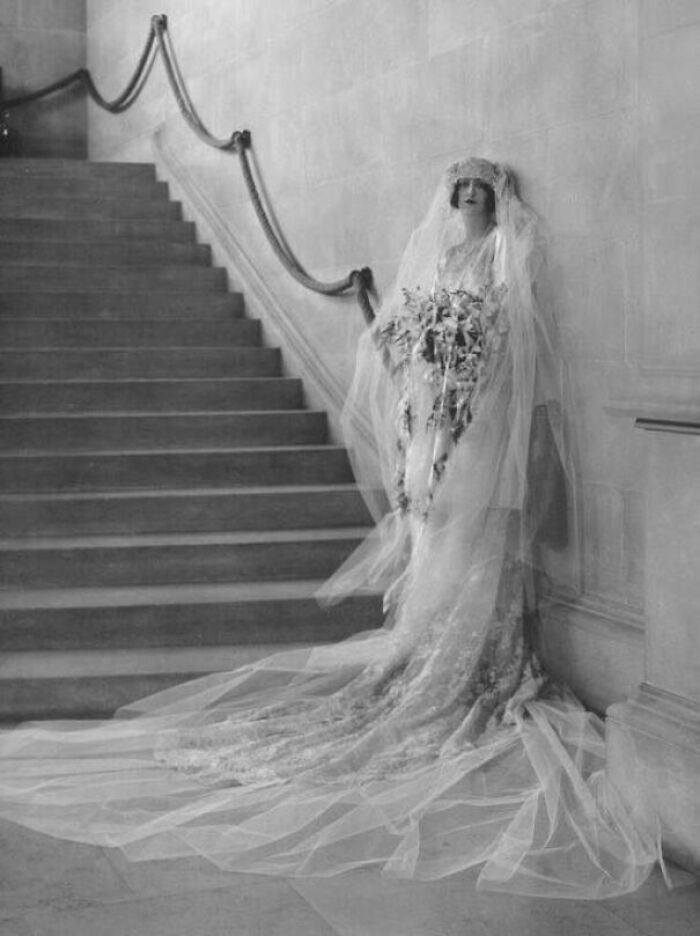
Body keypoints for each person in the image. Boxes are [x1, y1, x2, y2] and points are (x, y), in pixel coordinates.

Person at [0, 158, 661, 899]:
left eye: (481, 189)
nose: (470, 198)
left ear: (496, 197)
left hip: (478, 415)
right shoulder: (442, 255)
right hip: (435, 415)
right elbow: (419, 321)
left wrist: (461, 366)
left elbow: (511, 333)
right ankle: (432, 648)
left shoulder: (504, 253)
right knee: (435, 528)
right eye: (462, 188)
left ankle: (482, 651)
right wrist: (421, 357)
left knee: (472, 533)